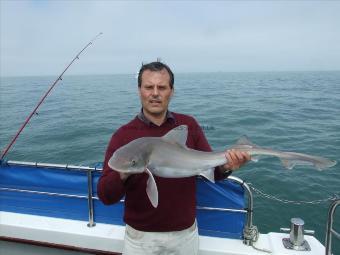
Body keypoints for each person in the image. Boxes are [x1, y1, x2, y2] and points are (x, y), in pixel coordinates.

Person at [97, 61, 250, 255]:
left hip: (184, 236)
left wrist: (228, 166)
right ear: (139, 90)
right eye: (148, 87)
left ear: (172, 91)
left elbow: (211, 170)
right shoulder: (123, 136)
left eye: (161, 87)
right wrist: (125, 172)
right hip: (140, 239)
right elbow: (105, 195)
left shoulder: (188, 125)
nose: (155, 93)